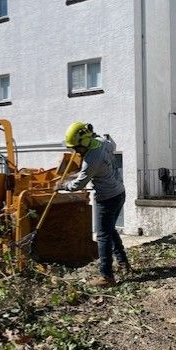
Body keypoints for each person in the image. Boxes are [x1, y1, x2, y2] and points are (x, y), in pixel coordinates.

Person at [58, 121, 130, 287]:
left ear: (84, 143)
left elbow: (79, 185)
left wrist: (62, 185)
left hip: (107, 199)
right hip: (119, 192)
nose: (75, 151)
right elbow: (112, 145)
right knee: (110, 230)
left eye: (76, 148)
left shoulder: (91, 160)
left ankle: (107, 276)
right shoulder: (102, 142)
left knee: (102, 235)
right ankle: (123, 263)